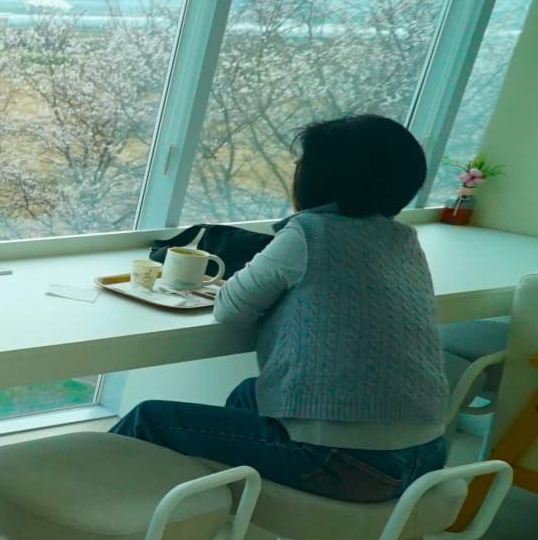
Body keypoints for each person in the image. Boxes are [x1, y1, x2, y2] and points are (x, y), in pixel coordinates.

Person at [112, 113, 449, 500]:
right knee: (250, 394)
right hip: (427, 456)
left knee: (149, 419)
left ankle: (111, 512)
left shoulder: (310, 232)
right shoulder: (404, 239)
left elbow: (230, 309)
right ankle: (211, 503)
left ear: (318, 177)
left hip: (348, 465)